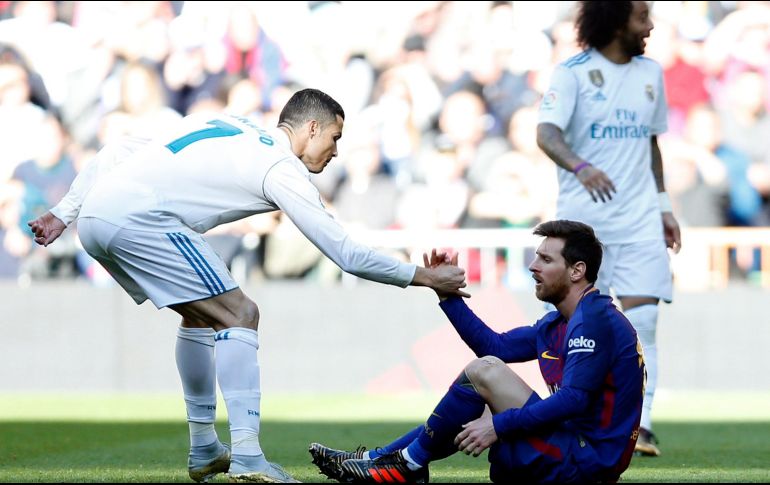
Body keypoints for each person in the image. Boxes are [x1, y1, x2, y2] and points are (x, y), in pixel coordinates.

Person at [27, 88, 468, 483]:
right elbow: (345, 254)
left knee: (202, 317)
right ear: (311, 128)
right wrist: (424, 277)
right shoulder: (280, 167)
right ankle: (248, 457)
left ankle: (204, 448)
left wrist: (63, 212)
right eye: (334, 138)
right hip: (142, 217)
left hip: (97, 216)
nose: (335, 151)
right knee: (241, 313)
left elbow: (118, 148)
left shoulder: (229, 123)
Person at [309, 220, 646, 484]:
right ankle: (381, 461)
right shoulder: (560, 322)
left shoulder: (594, 321)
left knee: (485, 373)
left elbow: (574, 400)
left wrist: (500, 425)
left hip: (588, 462)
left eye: (545, 258)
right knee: (482, 385)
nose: (533, 266)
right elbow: (494, 345)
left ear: (577, 270)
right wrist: (446, 294)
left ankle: (406, 464)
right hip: (572, 449)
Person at [535, 1, 681, 457]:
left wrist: (663, 205)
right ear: (615, 21)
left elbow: (651, 142)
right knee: (577, 324)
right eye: (642, 17)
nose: (650, 25)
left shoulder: (651, 73)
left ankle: (644, 424)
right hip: (586, 224)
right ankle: (567, 413)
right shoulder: (573, 73)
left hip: (639, 220)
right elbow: (547, 133)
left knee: (645, 321)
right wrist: (581, 167)